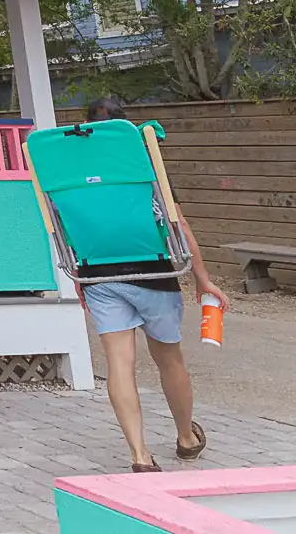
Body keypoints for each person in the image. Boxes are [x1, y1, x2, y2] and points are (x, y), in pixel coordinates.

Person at [77, 97, 226, 473]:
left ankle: (140, 455)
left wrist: (79, 278)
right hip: (153, 273)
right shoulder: (144, 165)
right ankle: (186, 437)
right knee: (169, 360)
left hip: (97, 274)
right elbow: (179, 225)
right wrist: (203, 278)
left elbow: (63, 227)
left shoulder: (71, 174)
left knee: (119, 365)